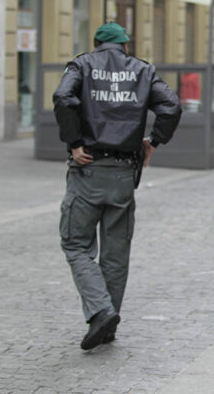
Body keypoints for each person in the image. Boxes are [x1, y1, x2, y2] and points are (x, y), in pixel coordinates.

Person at [53, 22, 181, 350]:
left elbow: (63, 97)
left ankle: (101, 311)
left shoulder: (81, 64)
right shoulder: (142, 70)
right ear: (125, 46)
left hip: (88, 168)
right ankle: (107, 325)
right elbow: (171, 105)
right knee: (116, 253)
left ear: (96, 44)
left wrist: (74, 142)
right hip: (124, 172)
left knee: (77, 245)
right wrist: (153, 141)